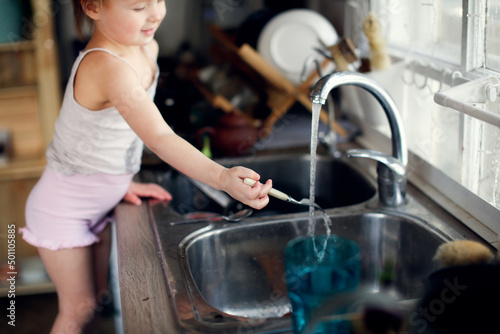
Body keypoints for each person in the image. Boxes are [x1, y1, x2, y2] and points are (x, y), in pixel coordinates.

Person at [20, 1, 273, 333]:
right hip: (61, 211)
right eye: (139, 6)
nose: (155, 13)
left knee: (97, 299)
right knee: (77, 311)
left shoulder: (145, 46)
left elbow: (110, 132)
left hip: (98, 199)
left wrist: (118, 182)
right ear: (93, 7)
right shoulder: (107, 67)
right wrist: (222, 177)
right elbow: (157, 135)